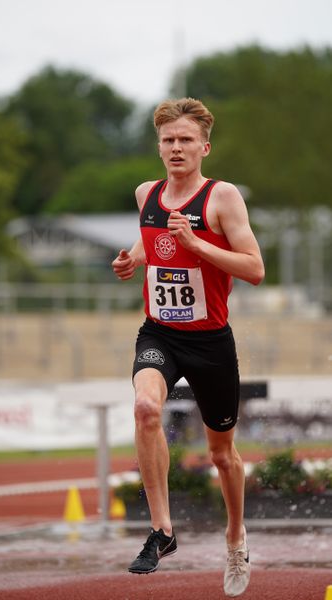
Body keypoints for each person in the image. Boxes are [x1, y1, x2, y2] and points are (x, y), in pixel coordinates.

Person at [112, 97, 264, 597]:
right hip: (160, 332)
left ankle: (236, 537)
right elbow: (152, 240)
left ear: (204, 146)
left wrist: (198, 245)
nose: (176, 148)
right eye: (167, 140)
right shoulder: (146, 193)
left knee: (223, 455)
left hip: (210, 342)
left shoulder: (222, 199)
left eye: (185, 140)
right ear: (159, 147)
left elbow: (255, 270)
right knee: (145, 408)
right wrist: (132, 260)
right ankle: (162, 530)